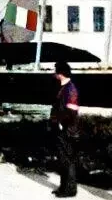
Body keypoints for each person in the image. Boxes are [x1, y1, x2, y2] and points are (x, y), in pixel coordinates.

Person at [50, 61, 80, 197]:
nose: (54, 74)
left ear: (60, 74)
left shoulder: (70, 89)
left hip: (67, 130)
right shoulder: (65, 87)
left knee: (67, 160)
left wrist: (62, 124)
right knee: (63, 159)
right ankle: (63, 187)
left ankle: (69, 190)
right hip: (64, 128)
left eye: (55, 71)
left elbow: (72, 111)